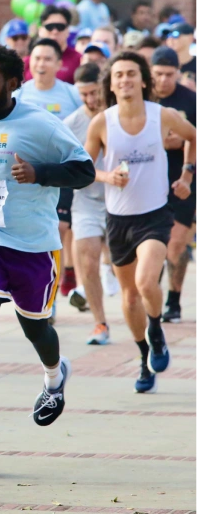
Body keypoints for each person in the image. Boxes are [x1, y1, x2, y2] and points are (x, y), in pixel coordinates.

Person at [0, 44, 95, 463]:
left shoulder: (41, 124)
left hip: (33, 245)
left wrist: (40, 173)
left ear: (12, 83)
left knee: (36, 329)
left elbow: (84, 169)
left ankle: (54, 375)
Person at [84, 51, 197, 393]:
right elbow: (84, 167)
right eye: (118, 75)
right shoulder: (102, 122)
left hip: (154, 216)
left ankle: (157, 329)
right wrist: (106, 177)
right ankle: (144, 356)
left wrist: (187, 176)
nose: (125, 80)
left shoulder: (161, 115)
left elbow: (194, 136)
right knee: (130, 297)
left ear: (143, 80)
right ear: (112, 83)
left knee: (148, 282)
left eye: (131, 74)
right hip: (118, 220)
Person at [18, 38, 83, 303]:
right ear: (29, 62)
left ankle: (51, 296)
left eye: (47, 59)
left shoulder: (71, 94)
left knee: (60, 228)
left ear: (59, 64)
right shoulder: (19, 95)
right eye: (36, 59)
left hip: (61, 171)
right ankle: (37, 286)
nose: (41, 64)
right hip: (25, 175)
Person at [62, 63, 113, 345]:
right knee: (88, 259)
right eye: (84, 95)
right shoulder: (71, 124)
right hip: (86, 202)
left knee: (127, 267)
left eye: (95, 93)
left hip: (121, 201)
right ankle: (100, 324)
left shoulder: (118, 116)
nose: (91, 100)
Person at [149, 47, 197, 324]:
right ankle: (151, 296)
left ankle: (174, 300)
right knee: (152, 243)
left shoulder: (190, 99)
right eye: (159, 74)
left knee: (176, 245)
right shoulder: (144, 99)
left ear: (178, 73)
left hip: (184, 178)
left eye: (170, 74)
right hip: (150, 179)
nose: (164, 80)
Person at [25, 6, 82, 84]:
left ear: (68, 31)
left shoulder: (79, 60)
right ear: (40, 30)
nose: (55, 32)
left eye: (60, 27)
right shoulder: (28, 61)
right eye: (50, 27)